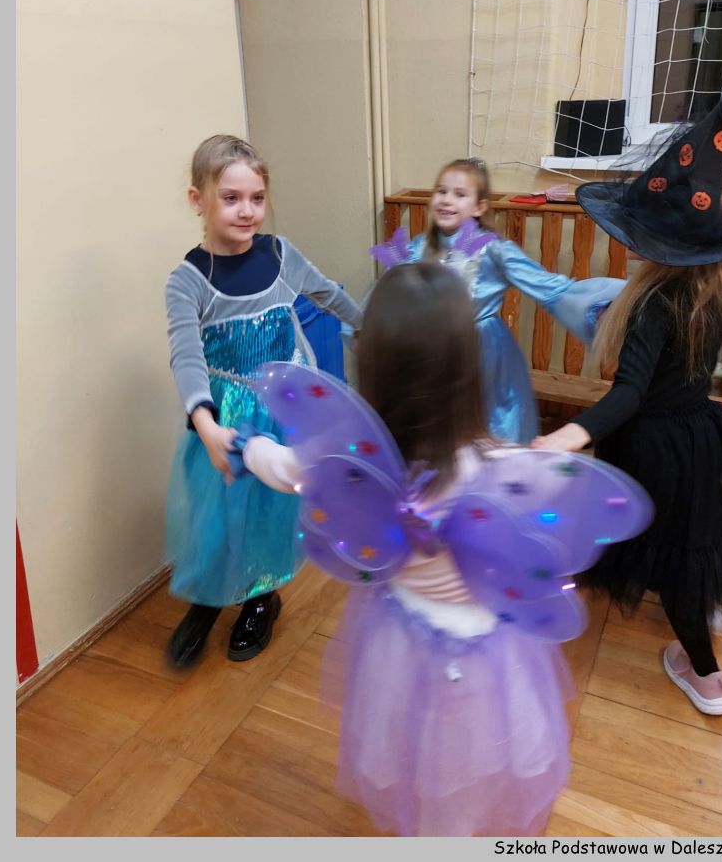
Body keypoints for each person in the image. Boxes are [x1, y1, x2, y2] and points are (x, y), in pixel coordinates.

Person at [232, 263, 650, 836]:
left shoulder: (349, 470)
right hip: (487, 657)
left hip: (400, 642)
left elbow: (283, 467)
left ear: (374, 368)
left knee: (407, 750)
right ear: (467, 372)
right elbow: (552, 531)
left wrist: (247, 446)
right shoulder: (501, 470)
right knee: (471, 762)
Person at [533, 70, 722, 716]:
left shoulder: (653, 304)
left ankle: (706, 675)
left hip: (652, 444)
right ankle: (699, 600)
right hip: (700, 433)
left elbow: (631, 393)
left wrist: (569, 434)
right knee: (696, 531)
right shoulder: (719, 295)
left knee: (667, 549)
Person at [163, 134, 362, 669]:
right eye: (231, 198)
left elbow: (328, 294)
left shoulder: (280, 254)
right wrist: (206, 425)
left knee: (269, 509)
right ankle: (208, 596)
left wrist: (372, 328)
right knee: (215, 512)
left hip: (281, 409)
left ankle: (260, 597)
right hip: (222, 419)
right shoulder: (188, 281)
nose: (247, 211)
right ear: (198, 199)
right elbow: (187, 357)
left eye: (256, 198)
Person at [369, 156, 625, 443]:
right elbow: (394, 294)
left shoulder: (493, 249)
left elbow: (549, 287)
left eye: (460, 194)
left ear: (479, 207)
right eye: (441, 191)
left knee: (486, 428)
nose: (447, 199)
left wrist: (605, 304)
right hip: (434, 352)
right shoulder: (418, 249)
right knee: (439, 429)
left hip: (483, 355)